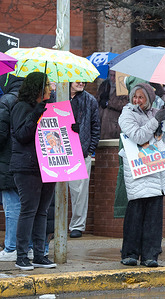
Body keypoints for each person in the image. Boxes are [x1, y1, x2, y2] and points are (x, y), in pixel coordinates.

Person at [118, 83, 165, 267]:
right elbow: (138, 136)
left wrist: (164, 94)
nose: (137, 100)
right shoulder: (127, 113)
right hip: (137, 170)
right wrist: (155, 122)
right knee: (136, 213)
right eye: (135, 97)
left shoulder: (155, 111)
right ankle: (130, 253)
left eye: (142, 97)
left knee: (154, 215)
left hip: (156, 170)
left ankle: (150, 255)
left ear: (149, 98)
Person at [10, 72, 56, 270]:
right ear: (37, 88)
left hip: (48, 165)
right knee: (29, 211)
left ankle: (39, 254)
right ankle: (22, 256)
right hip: (27, 167)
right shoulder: (21, 107)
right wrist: (36, 114)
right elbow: (21, 135)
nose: (50, 88)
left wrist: (72, 129)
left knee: (42, 212)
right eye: (46, 85)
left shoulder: (49, 108)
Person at [0, 74, 31, 262]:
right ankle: (27, 247)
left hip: (7, 161)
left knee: (12, 208)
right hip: (28, 163)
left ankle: (11, 247)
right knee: (28, 208)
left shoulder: (6, 101)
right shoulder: (32, 103)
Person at [68, 82, 100, 238]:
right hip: (58, 152)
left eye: (83, 80)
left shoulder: (90, 100)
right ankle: (51, 226)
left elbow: (96, 127)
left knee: (79, 192)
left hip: (81, 152)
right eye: (77, 79)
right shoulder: (56, 97)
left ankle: (77, 226)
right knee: (54, 192)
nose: (81, 82)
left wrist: (89, 149)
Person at [96, 70, 130, 139]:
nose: (112, 78)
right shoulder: (105, 85)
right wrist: (100, 98)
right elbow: (97, 100)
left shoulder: (123, 87)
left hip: (114, 124)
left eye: (114, 76)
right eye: (110, 75)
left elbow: (125, 104)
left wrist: (109, 103)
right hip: (101, 121)